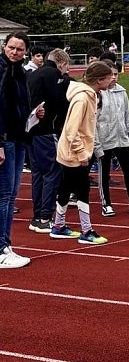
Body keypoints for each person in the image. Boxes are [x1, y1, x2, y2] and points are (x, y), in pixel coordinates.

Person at [50, 61, 114, 245]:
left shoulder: (90, 95)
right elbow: (72, 130)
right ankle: (86, 230)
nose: (112, 80)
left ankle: (58, 226)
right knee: (82, 189)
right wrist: (81, 153)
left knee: (66, 186)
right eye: (110, 77)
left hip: (72, 151)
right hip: (74, 153)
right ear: (100, 79)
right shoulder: (83, 98)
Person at [0, 33, 45, 267]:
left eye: (19, 49)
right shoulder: (2, 71)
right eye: (11, 47)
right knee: (4, 195)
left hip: (18, 139)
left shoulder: (21, 74)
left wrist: (33, 115)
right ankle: (1, 248)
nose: (14, 52)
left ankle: (5, 245)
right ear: (4, 47)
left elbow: (20, 105)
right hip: (5, 140)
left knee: (12, 194)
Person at [95, 61, 129, 217]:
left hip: (121, 138)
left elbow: (127, 116)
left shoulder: (122, 92)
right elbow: (95, 120)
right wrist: (97, 144)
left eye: (116, 74)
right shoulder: (97, 94)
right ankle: (106, 204)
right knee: (104, 173)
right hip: (104, 140)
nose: (113, 78)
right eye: (110, 75)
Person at [27, 48, 71, 233]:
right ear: (61, 63)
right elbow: (60, 99)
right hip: (45, 130)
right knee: (52, 171)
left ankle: (38, 216)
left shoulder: (33, 74)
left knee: (37, 173)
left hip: (30, 130)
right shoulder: (52, 75)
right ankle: (45, 216)